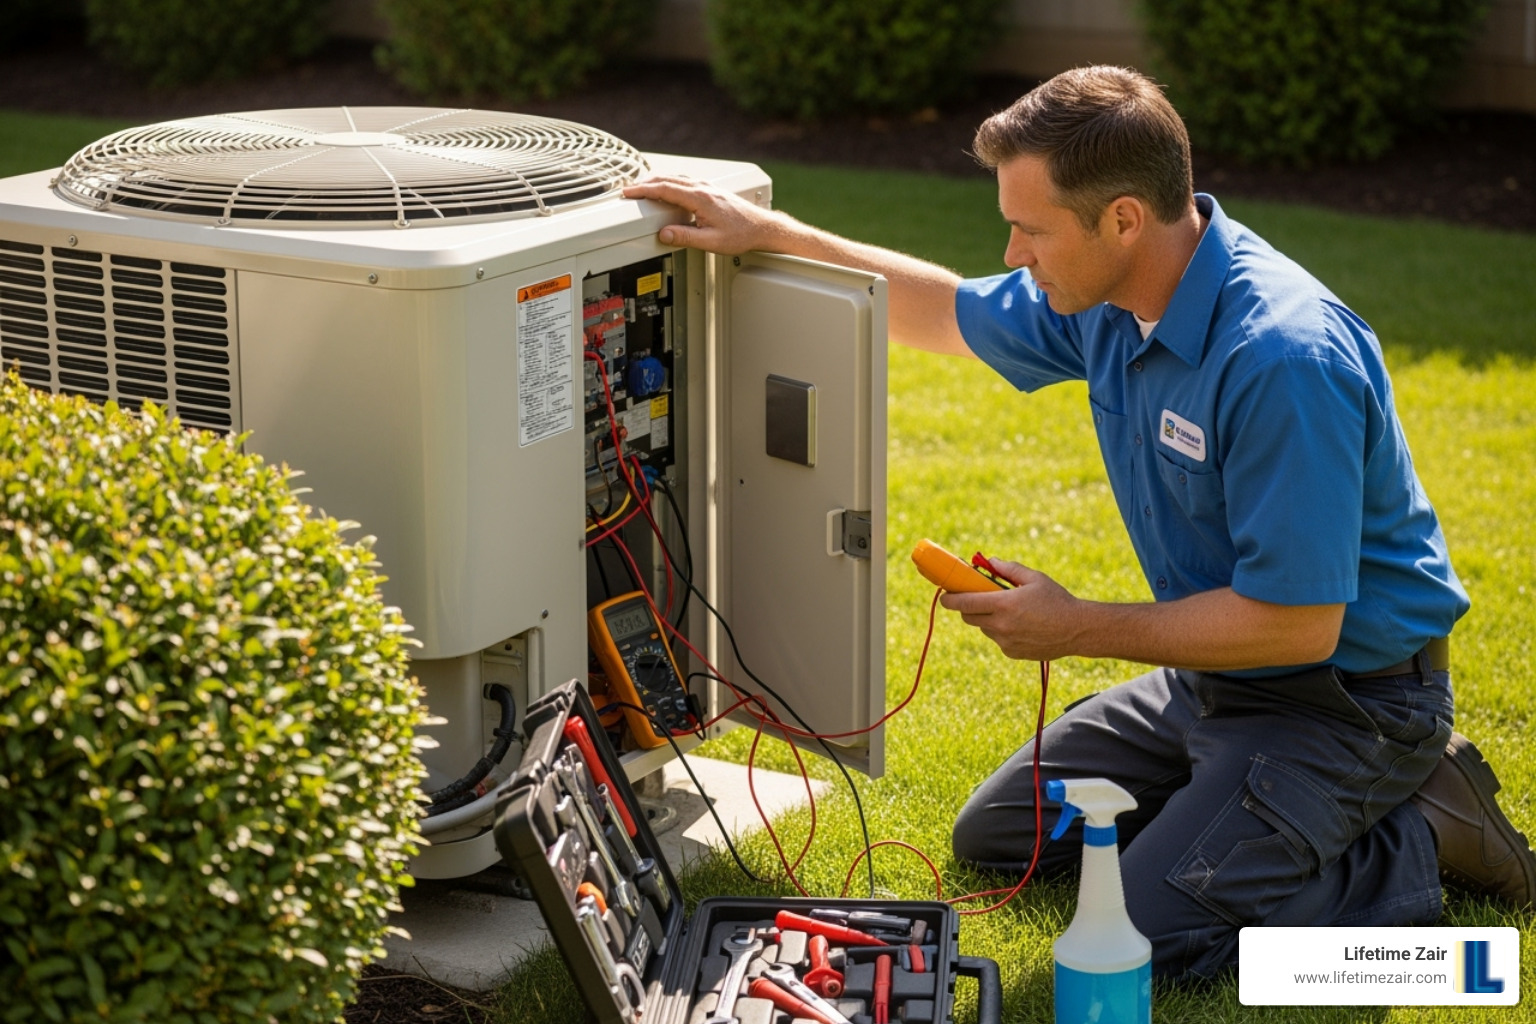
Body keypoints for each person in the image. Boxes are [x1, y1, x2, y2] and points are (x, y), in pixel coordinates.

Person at [622, 65, 1536, 979]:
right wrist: (771, 234)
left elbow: (1297, 622)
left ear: (1124, 218)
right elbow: (945, 310)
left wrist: (1078, 626)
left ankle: (1415, 836)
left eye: (1031, 228)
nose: (1015, 252)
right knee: (1001, 837)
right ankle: (1233, 802)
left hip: (1347, 701)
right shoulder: (1109, 301)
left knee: (1144, 946)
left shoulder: (1281, 359)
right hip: (1211, 680)